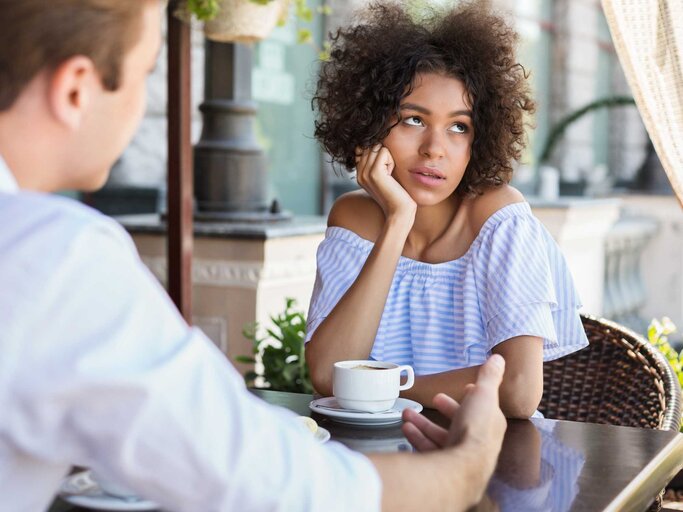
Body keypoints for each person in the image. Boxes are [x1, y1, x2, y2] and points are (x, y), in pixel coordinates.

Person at [0, 1, 507, 511]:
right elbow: (263, 480)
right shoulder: (51, 257)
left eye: (459, 126)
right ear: (75, 89)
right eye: (145, 72)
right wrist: (467, 464)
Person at [305, 1, 590, 418]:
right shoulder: (354, 219)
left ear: (479, 138)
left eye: (459, 127)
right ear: (369, 125)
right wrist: (397, 221)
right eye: (413, 120)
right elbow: (329, 375)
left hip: (485, 460)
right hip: (377, 459)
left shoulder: (500, 219)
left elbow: (518, 389)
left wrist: (390, 387)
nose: (434, 149)